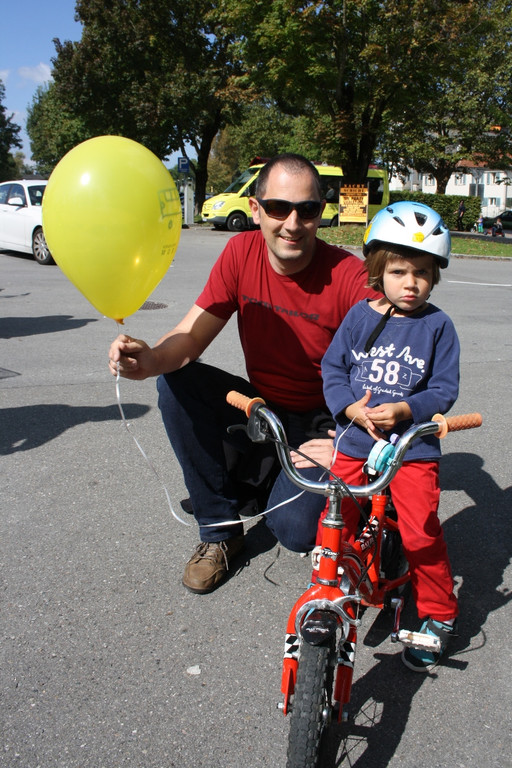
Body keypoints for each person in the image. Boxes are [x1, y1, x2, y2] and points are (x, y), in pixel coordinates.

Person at [109, 153, 379, 594]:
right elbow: (191, 335)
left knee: (294, 532)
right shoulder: (240, 253)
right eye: (278, 208)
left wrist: (351, 445)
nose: (293, 223)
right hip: (264, 409)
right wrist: (150, 359)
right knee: (176, 382)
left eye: (307, 209)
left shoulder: (350, 277)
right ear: (255, 209)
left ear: (321, 212)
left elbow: (394, 374)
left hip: (325, 421)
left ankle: (282, 489)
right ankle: (221, 531)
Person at [321, 201, 460, 672]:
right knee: (335, 519)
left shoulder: (438, 326)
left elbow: (444, 389)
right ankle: (340, 579)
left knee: (420, 531)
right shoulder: (359, 318)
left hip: (411, 448)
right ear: (378, 271)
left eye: (422, 272)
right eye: (399, 271)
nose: (411, 282)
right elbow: (333, 368)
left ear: (434, 276)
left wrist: (406, 409)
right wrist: (349, 407)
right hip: (355, 441)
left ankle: (438, 612)